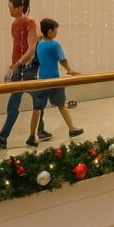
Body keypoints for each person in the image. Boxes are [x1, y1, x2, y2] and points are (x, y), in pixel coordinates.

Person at [0, 0, 48, 149]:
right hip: (19, 67)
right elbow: (18, 47)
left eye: (10, 6)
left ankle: (6, 136)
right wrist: (12, 65)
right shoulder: (15, 23)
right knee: (24, 101)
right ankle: (9, 136)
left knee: (29, 100)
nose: (9, 8)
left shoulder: (30, 22)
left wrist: (19, 64)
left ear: (20, 7)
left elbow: (33, 46)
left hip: (27, 69)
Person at [26, 18, 84, 148]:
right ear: (51, 31)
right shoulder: (54, 45)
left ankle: (31, 136)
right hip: (54, 80)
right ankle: (72, 128)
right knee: (61, 105)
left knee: (37, 109)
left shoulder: (39, 44)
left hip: (42, 80)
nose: (57, 32)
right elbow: (62, 59)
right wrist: (70, 70)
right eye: (56, 30)